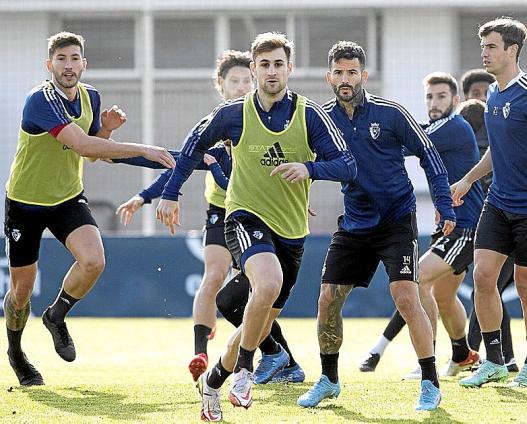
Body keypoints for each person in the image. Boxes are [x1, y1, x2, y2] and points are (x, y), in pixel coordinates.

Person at [156, 32, 356, 420]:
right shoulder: (234, 113)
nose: (271, 72)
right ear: (253, 70)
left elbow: (347, 165)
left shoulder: (309, 115)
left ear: (290, 68)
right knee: (267, 282)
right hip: (244, 216)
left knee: (256, 319)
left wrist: (309, 168)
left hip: (291, 231)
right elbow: (194, 145)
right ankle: (245, 370)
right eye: (263, 64)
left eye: (278, 64)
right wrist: (170, 193)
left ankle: (215, 381)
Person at [115, 50, 304, 385]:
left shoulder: (274, 120)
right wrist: (143, 193)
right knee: (216, 278)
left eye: (247, 80)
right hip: (224, 215)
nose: (242, 86)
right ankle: (203, 352)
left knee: (252, 293)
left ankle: (279, 357)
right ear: (221, 85)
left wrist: (294, 194)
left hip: (267, 216)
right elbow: (177, 162)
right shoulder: (220, 124)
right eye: (235, 81)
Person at [3, 32, 174, 386]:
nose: (69, 66)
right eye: (61, 59)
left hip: (67, 197)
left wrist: (107, 131)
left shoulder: (90, 96)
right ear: (49, 65)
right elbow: (81, 146)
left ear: (84, 63)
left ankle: (56, 315)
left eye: (74, 58)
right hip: (26, 202)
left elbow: (96, 153)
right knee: (21, 290)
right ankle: (16, 353)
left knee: (94, 260)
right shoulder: (41, 99)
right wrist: (144, 148)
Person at [297, 41, 454, 412]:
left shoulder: (391, 113)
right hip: (353, 223)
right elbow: (305, 162)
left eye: (352, 72)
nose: (345, 79)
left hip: (396, 220)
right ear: (329, 76)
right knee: (327, 300)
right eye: (339, 72)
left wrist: (444, 206)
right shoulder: (320, 119)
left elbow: (430, 157)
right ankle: (329, 380)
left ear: (364, 75)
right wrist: (300, 196)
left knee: (405, 296)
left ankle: (430, 382)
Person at [452, 17, 527, 388]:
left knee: (526, 286)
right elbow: (496, 154)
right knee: (483, 278)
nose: (484, 53)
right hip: (497, 202)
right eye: (483, 46)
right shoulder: (494, 96)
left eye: (491, 46)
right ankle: (495, 360)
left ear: (512, 50)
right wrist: (468, 179)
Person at [359, 72, 482, 379]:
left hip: (466, 226)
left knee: (416, 281)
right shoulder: (437, 128)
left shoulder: (453, 126)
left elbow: (402, 146)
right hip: (452, 225)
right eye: (429, 96)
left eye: (441, 96)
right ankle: (462, 355)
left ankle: (425, 360)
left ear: (456, 100)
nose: (434, 102)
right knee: (443, 295)